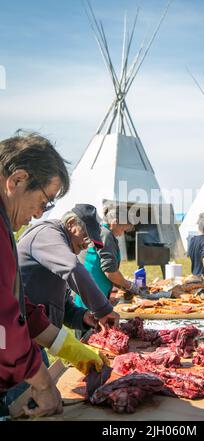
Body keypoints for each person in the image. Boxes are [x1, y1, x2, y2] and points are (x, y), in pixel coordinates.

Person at [0, 132, 109, 418]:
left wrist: (69, 346)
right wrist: (43, 381)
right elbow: (4, 322)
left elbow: (18, 306)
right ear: (17, 180)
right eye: (44, 201)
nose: (39, 214)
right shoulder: (39, 232)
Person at [17, 203, 120, 338]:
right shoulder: (47, 233)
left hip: (36, 334)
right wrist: (103, 309)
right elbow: (73, 268)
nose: (86, 245)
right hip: (18, 332)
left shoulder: (61, 249)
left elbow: (61, 303)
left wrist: (82, 316)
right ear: (71, 223)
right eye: (86, 236)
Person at [75, 204, 141, 309]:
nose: (122, 234)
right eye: (123, 229)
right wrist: (130, 286)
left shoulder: (102, 231)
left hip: (93, 289)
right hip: (92, 292)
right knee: (90, 322)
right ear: (114, 223)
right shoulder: (106, 234)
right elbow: (111, 272)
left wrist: (121, 286)